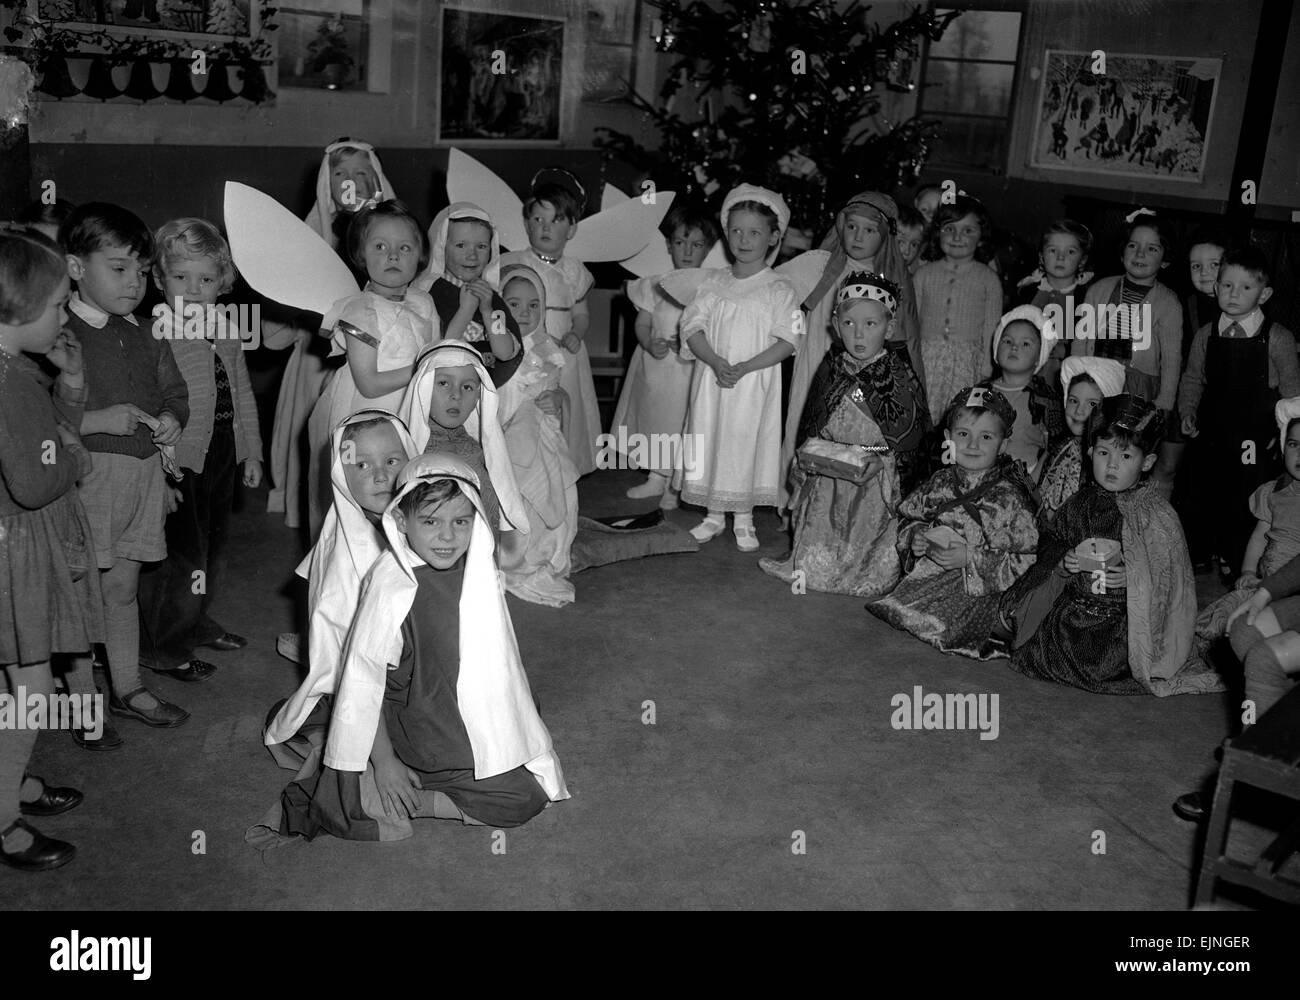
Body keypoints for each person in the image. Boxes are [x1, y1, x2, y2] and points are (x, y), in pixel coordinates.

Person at [268, 454, 569, 843]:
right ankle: (395, 796)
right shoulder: (393, 588)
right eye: (430, 521)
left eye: (461, 521)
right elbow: (364, 681)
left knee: (529, 706)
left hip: (448, 699)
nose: (447, 536)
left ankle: (340, 741)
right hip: (420, 723)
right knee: (525, 796)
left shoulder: (476, 569)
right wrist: (386, 761)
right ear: (400, 523)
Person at [62, 203, 191, 727]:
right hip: (87, 479)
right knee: (79, 591)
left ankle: (127, 686)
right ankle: (81, 697)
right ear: (75, 268)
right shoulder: (56, 331)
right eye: (118, 269)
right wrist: (95, 420)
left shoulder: (146, 332)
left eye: (141, 272)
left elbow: (175, 391)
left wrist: (171, 418)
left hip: (142, 478)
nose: (134, 283)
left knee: (122, 587)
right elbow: (35, 418)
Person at [997, 395, 1222, 694]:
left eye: (1126, 457)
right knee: (1037, 653)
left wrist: (1134, 577)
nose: (1112, 465)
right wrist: (1065, 563)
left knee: (1112, 666)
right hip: (1074, 613)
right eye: (1104, 453)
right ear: (1090, 452)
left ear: (1148, 462)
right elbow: (1052, 543)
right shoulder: (1080, 503)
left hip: (1124, 623)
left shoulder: (1155, 513)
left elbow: (1171, 572)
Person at [0, 225, 101, 870]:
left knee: (17, 682)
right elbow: (37, 481)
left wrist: (67, 383)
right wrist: (77, 463)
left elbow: (48, 436)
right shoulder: (8, 385)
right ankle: (3, 819)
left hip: (15, 543)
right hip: (17, 548)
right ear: (16, 311)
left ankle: (10, 784)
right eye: (60, 304)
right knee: (31, 687)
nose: (65, 315)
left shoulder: (16, 371)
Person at [137, 218, 263, 682]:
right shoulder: (154, 331)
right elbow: (150, 405)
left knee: (211, 546)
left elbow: (243, 391)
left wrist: (252, 453)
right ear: (158, 279)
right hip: (179, 457)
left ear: (223, 284)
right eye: (180, 278)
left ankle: (194, 621)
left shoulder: (227, 327)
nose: (193, 290)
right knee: (179, 553)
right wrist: (160, 469)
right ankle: (163, 645)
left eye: (206, 279)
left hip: (223, 450)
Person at [264, 410, 418, 770]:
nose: (381, 475)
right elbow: (355, 663)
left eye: (393, 460)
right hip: (371, 678)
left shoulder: (411, 520)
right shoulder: (344, 560)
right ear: (340, 476)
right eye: (361, 465)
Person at [759, 272, 924, 596]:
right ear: (835, 324)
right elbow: (813, 421)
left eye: (870, 325)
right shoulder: (831, 367)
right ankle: (813, 565)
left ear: (889, 328)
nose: (858, 334)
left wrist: (886, 463)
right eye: (848, 324)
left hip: (874, 482)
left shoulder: (897, 375)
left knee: (866, 529)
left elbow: (910, 441)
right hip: (829, 474)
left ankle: (862, 571)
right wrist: (809, 456)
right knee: (823, 518)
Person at [661, 184, 801, 551]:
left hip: (752, 384)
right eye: (736, 230)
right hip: (713, 379)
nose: (743, 239)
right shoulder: (714, 283)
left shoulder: (778, 288)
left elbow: (789, 340)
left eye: (754, 232)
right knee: (711, 437)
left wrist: (746, 366)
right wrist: (715, 360)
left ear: (773, 237)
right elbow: (691, 326)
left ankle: (743, 517)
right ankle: (713, 515)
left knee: (743, 441)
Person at [265, 139, 396, 530]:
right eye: (341, 174)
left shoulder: (389, 231)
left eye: (360, 174)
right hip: (318, 355)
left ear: (376, 181)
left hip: (377, 357)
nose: (351, 182)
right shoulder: (311, 234)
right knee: (323, 430)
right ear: (327, 183)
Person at [866, 386, 1038, 657]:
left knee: (941, 626)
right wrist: (917, 536)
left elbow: (1025, 557)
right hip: (930, 574)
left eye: (986, 437)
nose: (972, 445)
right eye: (963, 434)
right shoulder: (941, 481)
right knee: (895, 608)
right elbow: (909, 517)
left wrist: (971, 558)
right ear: (948, 438)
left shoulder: (1007, 498)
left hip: (978, 588)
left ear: (1003, 444)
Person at [781, 191, 925, 504]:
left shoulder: (885, 279)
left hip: (862, 371)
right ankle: (797, 501)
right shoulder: (820, 264)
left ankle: (846, 503)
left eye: (869, 230)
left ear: (884, 235)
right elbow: (772, 286)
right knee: (806, 421)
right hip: (816, 360)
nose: (858, 236)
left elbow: (900, 335)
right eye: (851, 226)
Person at [306, 200, 437, 536]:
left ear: (420, 256)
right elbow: (368, 382)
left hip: (410, 409)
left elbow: (436, 351)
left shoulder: (423, 303)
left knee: (408, 491)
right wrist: (424, 368)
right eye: (380, 246)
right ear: (361, 254)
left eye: (404, 248)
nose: (392, 256)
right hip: (367, 413)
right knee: (365, 496)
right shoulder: (359, 310)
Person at [1179, 245, 1300, 580]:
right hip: (1213, 433)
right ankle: (1201, 556)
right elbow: (1192, 379)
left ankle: (1240, 562)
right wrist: (1187, 411)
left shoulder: (1278, 338)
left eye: (1246, 287)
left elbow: (1293, 395)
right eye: (1227, 285)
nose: (1234, 295)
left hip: (1256, 439)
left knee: (1246, 502)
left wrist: (1287, 438)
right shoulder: (1206, 335)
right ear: (1216, 287)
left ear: (1265, 294)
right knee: (1204, 493)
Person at [612, 203, 719, 508]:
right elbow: (643, 322)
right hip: (656, 366)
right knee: (655, 420)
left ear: (708, 249)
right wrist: (648, 342)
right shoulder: (654, 284)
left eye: (696, 245)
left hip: (688, 367)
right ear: (669, 245)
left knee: (680, 422)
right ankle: (656, 477)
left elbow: (715, 325)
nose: (687, 251)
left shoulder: (709, 286)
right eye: (679, 243)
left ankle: (676, 482)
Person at [1072, 207, 1183, 495]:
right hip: (1098, 386)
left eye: (1152, 248)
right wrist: (1076, 381)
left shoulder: (1168, 303)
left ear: (1166, 259)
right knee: (1097, 449)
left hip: (1139, 391)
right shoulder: (1099, 290)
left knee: (1127, 455)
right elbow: (1081, 340)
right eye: (1133, 245)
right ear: (1122, 252)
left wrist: (1164, 403)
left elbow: (1171, 358)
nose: (1140, 254)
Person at [501, 169, 602, 475]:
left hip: (565, 351)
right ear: (526, 223)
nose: (545, 227)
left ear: (571, 228)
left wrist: (576, 333)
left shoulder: (575, 271)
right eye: (537, 220)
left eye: (556, 220)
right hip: (528, 346)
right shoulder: (516, 262)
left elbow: (581, 314)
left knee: (564, 405)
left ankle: (565, 468)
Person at [495, 265, 580, 607]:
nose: (525, 313)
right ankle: (511, 557)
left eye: (533, 305)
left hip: (543, 436)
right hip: (505, 436)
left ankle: (550, 552)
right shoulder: (494, 351)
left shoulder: (548, 349)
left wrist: (557, 400)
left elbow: (560, 393)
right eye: (514, 305)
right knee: (514, 492)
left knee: (560, 487)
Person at [400, 340, 529, 539]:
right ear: (422, 387)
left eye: (468, 387)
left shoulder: (477, 451)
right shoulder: (410, 454)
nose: (456, 395)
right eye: (443, 383)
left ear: (479, 396)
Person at [411, 201, 524, 386]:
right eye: (461, 245)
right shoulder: (428, 293)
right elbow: (439, 351)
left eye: (481, 246)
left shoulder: (491, 296)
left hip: (480, 389)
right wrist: (466, 310)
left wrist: (488, 311)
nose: (472, 255)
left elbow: (505, 353)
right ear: (442, 247)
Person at [912, 196, 1003, 424]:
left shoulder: (988, 279)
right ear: (937, 233)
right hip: (926, 357)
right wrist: (910, 358)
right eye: (949, 229)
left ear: (981, 238)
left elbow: (992, 327)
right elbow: (911, 319)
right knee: (922, 414)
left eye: (968, 230)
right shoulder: (923, 274)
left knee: (959, 418)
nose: (957, 237)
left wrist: (986, 368)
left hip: (967, 360)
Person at [1037, 356, 1126, 525]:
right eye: (1073, 401)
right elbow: (1035, 486)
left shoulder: (1105, 457)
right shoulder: (1060, 446)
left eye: (1092, 404)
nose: (1079, 410)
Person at [983, 305, 1063, 480]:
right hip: (981, 478)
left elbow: (1054, 449)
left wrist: (1033, 483)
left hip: (1026, 481)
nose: (1014, 347)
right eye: (1007, 341)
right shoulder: (980, 393)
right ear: (996, 348)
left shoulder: (1046, 400)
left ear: (1039, 356)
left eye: (1025, 343)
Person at [1014, 219, 1094, 388]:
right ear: (1042, 257)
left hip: (1065, 377)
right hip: (1025, 372)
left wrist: (1066, 351)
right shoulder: (1027, 293)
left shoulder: (1086, 298)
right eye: (1053, 250)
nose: (1060, 257)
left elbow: (1092, 343)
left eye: (1070, 252)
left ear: (1082, 261)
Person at [895, 206, 925, 276]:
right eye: (900, 242)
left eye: (914, 245)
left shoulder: (914, 281)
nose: (907, 251)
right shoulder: (867, 271)